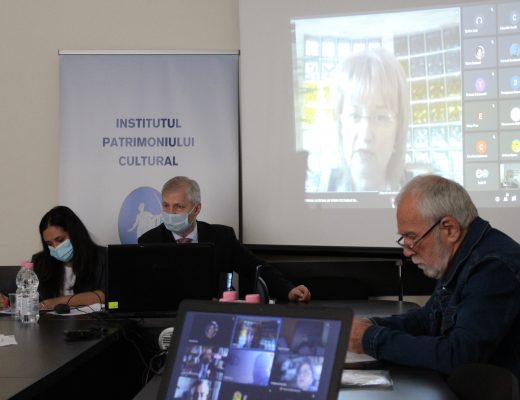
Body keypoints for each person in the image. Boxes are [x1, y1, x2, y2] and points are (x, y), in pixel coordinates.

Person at [348, 174, 520, 381]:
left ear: (449, 229)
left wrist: (370, 338)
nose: (406, 252)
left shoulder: (493, 266)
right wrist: (369, 325)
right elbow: (427, 319)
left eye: (411, 237)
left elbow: (459, 355)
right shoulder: (461, 255)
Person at [138, 176, 311, 302]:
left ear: (196, 209)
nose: (170, 213)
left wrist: (289, 290)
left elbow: (255, 267)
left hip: (216, 317)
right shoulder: (149, 241)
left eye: (178, 207)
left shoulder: (222, 237)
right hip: (168, 320)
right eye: (166, 206)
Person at [324, 48, 409, 192]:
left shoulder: (419, 199)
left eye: (381, 117)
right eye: (354, 116)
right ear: (340, 126)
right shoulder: (317, 190)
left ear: (398, 130)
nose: (365, 135)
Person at [31, 206, 106, 309]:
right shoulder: (40, 262)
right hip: (50, 319)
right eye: (49, 244)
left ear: (75, 234)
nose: (56, 247)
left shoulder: (102, 258)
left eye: (60, 240)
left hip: (91, 319)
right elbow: (30, 297)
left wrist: (57, 302)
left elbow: (106, 295)